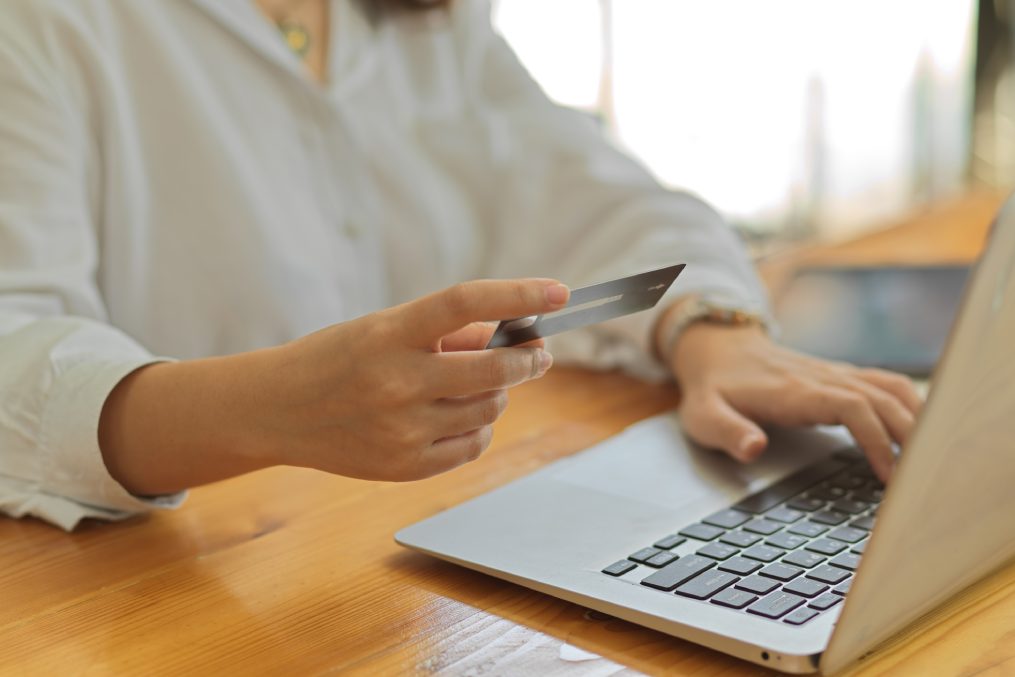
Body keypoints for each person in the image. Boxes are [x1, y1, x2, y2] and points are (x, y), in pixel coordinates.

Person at [0, 0, 921, 531]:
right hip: (164, 598)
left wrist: (714, 332)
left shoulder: (431, 24)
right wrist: (266, 407)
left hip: (399, 570)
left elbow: (596, 192)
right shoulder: (47, 25)